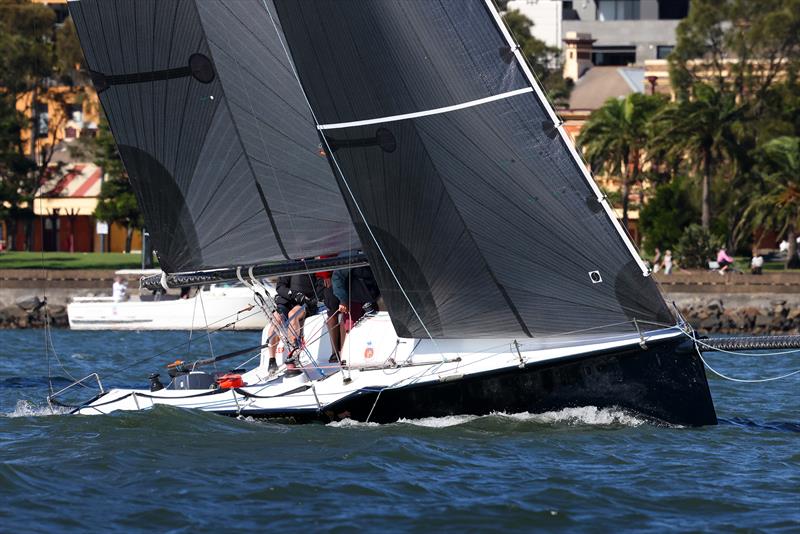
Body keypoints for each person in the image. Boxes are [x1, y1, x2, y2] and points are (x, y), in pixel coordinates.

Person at [266, 273, 321, 375]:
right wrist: (294, 294)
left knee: (292, 315)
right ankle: (272, 360)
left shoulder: (314, 268)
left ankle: (293, 355)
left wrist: (310, 298)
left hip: (303, 304)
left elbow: (319, 290)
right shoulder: (290, 267)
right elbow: (280, 287)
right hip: (287, 301)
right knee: (276, 318)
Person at [332, 265, 380, 357]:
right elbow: (337, 277)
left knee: (374, 332)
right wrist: (343, 300)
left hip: (373, 298)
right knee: (350, 332)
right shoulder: (347, 257)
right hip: (353, 301)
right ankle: (345, 359)